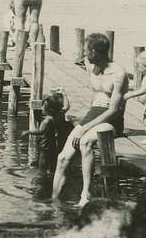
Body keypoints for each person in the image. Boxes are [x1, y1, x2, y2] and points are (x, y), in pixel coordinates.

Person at [51, 32, 127, 207]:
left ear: (94, 52)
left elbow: (114, 110)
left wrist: (84, 128)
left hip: (111, 119)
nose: (84, 54)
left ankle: (86, 195)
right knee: (62, 157)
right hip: (92, 115)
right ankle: (53, 199)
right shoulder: (89, 64)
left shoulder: (118, 74)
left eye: (86, 51)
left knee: (85, 142)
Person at [22, 88, 72, 171]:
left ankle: (42, 178)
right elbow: (67, 106)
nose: (42, 108)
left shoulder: (46, 120)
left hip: (45, 148)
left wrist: (28, 132)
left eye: (43, 106)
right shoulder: (60, 114)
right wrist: (64, 94)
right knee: (53, 167)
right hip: (55, 146)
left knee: (42, 168)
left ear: (47, 109)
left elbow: (40, 131)